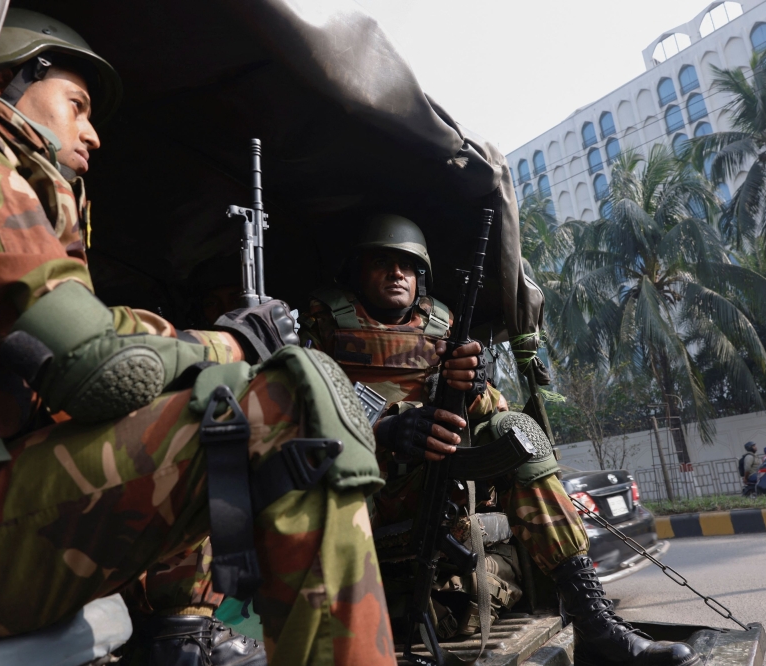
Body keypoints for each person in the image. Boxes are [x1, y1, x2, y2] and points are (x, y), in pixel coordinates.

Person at [0, 10, 396, 666]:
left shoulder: (5, 186)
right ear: (4, 80)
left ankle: (181, 627)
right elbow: (96, 367)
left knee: (212, 400)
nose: (93, 133)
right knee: (287, 406)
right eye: (77, 105)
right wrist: (230, 344)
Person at [298, 214, 699, 666]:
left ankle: (594, 623)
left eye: (407, 265)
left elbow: (492, 411)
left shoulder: (443, 326)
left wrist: (475, 389)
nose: (396, 274)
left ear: (420, 277)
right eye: (382, 263)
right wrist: (383, 430)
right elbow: (298, 417)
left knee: (516, 431)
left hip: (437, 480)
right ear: (356, 272)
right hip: (362, 490)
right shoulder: (322, 326)